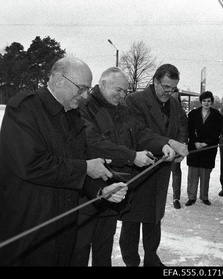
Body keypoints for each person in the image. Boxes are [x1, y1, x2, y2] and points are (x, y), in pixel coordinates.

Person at [0, 57, 127, 266]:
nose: (85, 95)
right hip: (30, 228)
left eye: (87, 89)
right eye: (81, 88)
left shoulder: (73, 116)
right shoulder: (24, 109)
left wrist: (101, 190)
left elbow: (78, 165)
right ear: (59, 79)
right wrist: (86, 167)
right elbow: (31, 164)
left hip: (64, 227)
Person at [71, 67, 176, 266]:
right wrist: (131, 156)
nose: (122, 95)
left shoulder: (121, 109)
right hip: (88, 191)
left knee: (104, 247)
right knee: (81, 248)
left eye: (125, 91)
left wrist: (163, 143)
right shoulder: (84, 107)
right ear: (102, 84)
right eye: (118, 90)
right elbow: (92, 143)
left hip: (114, 189)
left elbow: (140, 132)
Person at [120, 63, 189, 267]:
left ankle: (152, 258)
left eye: (173, 88)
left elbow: (181, 126)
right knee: (132, 221)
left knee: (154, 218)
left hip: (162, 170)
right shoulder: (135, 101)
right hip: (140, 169)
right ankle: (131, 261)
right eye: (166, 87)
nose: (169, 92)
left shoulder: (175, 104)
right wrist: (167, 143)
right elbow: (138, 133)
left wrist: (180, 147)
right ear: (155, 81)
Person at [185, 91, 223, 206]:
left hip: (208, 148)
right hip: (195, 147)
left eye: (209, 101)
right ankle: (191, 196)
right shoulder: (193, 114)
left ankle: (204, 196)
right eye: (204, 101)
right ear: (201, 101)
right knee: (193, 173)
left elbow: (217, 131)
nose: (206, 103)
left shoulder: (216, 115)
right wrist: (195, 142)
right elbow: (190, 130)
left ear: (212, 102)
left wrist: (207, 143)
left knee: (205, 174)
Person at [170, 89, 189, 209]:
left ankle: (176, 197)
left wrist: (182, 147)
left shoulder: (180, 113)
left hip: (176, 146)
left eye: (176, 98)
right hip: (160, 146)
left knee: (175, 171)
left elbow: (184, 131)